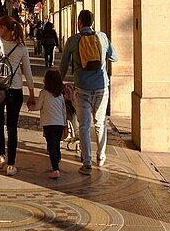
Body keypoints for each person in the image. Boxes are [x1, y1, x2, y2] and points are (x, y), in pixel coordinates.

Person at [59, 9, 118, 175]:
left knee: (84, 126)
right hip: (101, 87)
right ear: (92, 22)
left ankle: (87, 163)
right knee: (100, 123)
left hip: (82, 88)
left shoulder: (73, 40)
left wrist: (58, 85)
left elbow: (63, 66)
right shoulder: (102, 37)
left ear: (79, 22)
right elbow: (115, 57)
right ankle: (102, 156)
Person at [0, 16, 36, 176]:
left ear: (8, 29)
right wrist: (31, 93)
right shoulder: (21, 48)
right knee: (11, 126)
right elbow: (27, 72)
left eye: (1, 28)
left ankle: (1, 156)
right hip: (15, 89)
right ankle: (11, 164)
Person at [31, 68, 66, 179]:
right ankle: (57, 160)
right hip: (59, 124)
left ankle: (55, 169)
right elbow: (63, 110)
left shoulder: (44, 93)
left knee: (51, 146)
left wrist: (31, 107)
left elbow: (38, 106)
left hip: (48, 124)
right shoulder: (60, 95)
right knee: (56, 144)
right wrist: (64, 123)